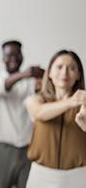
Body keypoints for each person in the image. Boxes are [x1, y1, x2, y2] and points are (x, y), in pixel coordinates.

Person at [0, 40, 43, 188]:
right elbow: (3, 86)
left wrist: (44, 74)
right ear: (2, 58)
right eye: (9, 55)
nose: (13, 58)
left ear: (22, 55)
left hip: (28, 148)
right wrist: (25, 74)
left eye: (17, 54)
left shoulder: (31, 83)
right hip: (1, 149)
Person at [24, 50, 86, 188]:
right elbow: (39, 112)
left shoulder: (84, 104)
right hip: (41, 176)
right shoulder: (35, 99)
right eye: (59, 67)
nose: (64, 73)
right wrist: (72, 101)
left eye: (71, 68)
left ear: (78, 75)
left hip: (79, 177)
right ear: (49, 73)